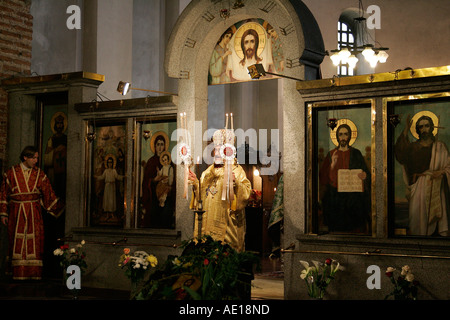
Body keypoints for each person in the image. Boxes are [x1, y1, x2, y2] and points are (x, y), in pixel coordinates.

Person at [0, 146, 64, 280]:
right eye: (34, 158)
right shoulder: (11, 173)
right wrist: (3, 213)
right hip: (16, 214)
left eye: (37, 158)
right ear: (25, 157)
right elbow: (3, 193)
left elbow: (48, 193)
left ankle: (32, 274)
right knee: (15, 242)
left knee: (34, 242)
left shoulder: (39, 174)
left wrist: (61, 207)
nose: (36, 160)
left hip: (34, 214)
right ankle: (16, 273)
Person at [188, 129, 251, 252]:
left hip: (227, 229)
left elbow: (245, 196)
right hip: (207, 227)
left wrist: (236, 183)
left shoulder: (237, 171)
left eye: (220, 149)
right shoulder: (207, 173)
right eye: (215, 149)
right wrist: (196, 184)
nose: (216, 152)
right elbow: (200, 201)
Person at [395, 114, 450, 236]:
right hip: (418, 187)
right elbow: (400, 153)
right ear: (417, 130)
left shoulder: (440, 147)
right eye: (421, 127)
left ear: (431, 127)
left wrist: (440, 172)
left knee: (436, 219)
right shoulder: (413, 147)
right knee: (418, 219)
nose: (424, 129)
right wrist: (405, 130)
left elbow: (448, 167)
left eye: (426, 126)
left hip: (436, 185)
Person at [319, 124, 371, 233]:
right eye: (340, 134)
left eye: (345, 134)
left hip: (353, 197)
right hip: (336, 197)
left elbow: (366, 172)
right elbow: (323, 178)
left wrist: (364, 176)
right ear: (337, 137)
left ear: (350, 136)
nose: (343, 137)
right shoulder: (331, 154)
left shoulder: (356, 153)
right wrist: (332, 165)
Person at [141, 132, 175, 228]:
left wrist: (169, 188)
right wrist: (154, 180)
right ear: (155, 146)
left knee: (166, 216)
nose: (160, 148)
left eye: (162, 145)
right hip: (153, 200)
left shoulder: (169, 163)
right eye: (158, 145)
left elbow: (174, 182)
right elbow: (145, 183)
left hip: (166, 197)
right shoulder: (151, 162)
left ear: (165, 146)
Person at [95, 155, 124, 220]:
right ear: (107, 163)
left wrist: (123, 177)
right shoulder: (106, 171)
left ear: (112, 163)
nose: (110, 164)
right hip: (107, 186)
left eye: (111, 162)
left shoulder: (114, 170)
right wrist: (96, 177)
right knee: (107, 200)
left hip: (112, 187)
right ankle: (107, 214)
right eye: (109, 162)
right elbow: (102, 177)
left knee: (112, 200)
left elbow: (117, 177)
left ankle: (112, 214)